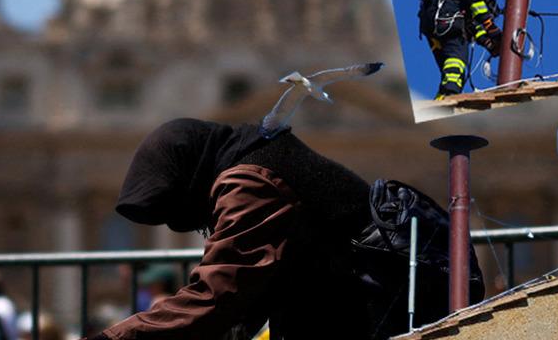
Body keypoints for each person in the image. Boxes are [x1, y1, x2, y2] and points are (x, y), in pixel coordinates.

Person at [85, 118, 419, 340]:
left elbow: (216, 297)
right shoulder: (256, 158)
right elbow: (246, 298)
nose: (183, 223)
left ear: (188, 178)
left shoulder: (250, 182)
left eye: (178, 209)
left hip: (370, 318)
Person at [418, 0, 510, 99]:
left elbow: (471, 22)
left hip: (438, 19)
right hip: (444, 14)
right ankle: (447, 101)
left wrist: (488, 43)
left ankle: (441, 101)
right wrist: (489, 24)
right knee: (458, 56)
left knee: (454, 74)